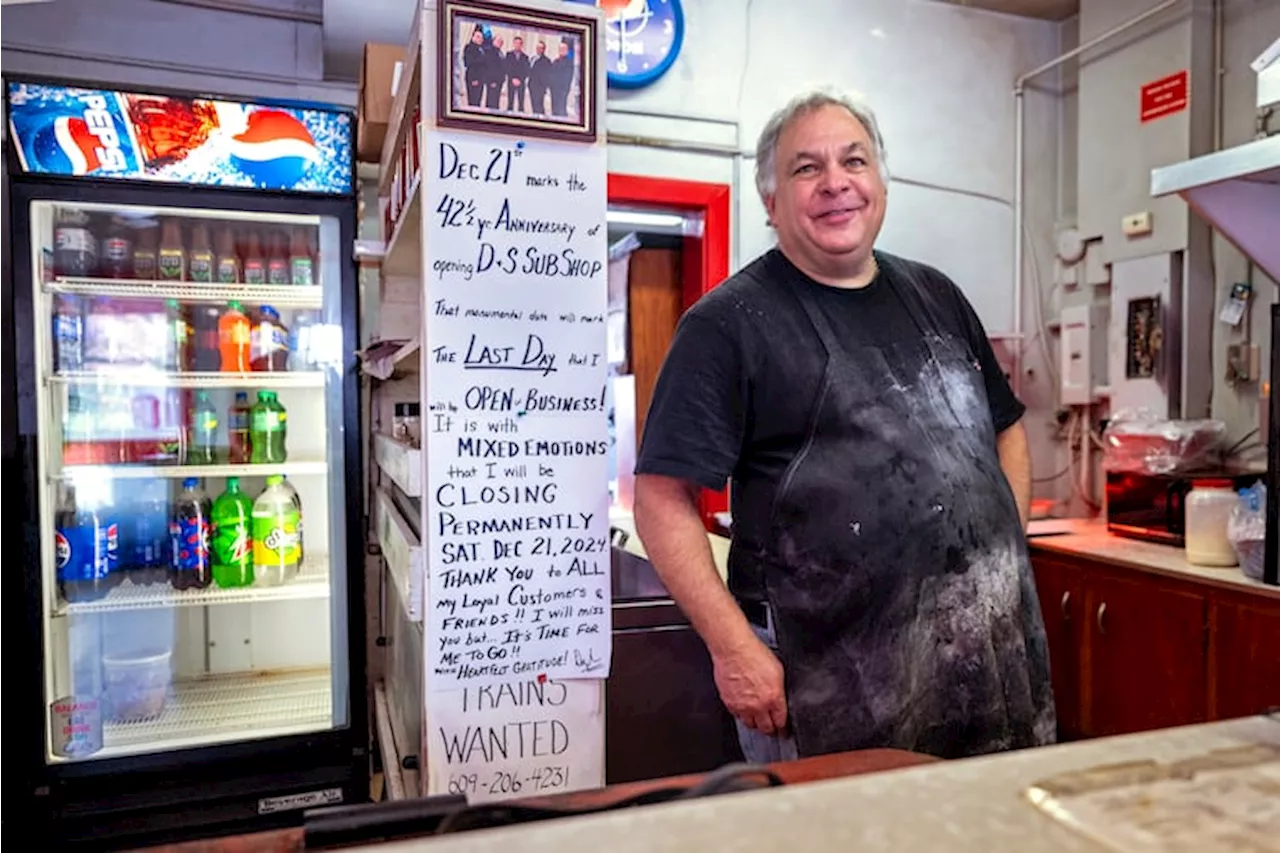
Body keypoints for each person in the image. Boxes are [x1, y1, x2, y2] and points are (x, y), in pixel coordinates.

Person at [633, 89, 1056, 763]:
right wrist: (734, 647)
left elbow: (1006, 428)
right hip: (829, 680)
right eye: (806, 168)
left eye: (853, 160)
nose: (836, 183)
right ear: (770, 202)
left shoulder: (937, 296)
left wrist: (1000, 550)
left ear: (880, 183)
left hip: (985, 664)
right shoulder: (728, 325)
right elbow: (660, 499)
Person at [462, 25, 487, 108]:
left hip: (481, 79)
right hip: (473, 78)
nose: (480, 39)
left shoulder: (482, 49)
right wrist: (474, 79)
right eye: (477, 37)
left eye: (481, 37)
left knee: (478, 102)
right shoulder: (469, 47)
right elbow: (469, 63)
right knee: (473, 102)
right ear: (473, 37)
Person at [505, 36, 531, 112]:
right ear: (513, 44)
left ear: (521, 45)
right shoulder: (509, 55)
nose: (517, 45)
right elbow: (507, 68)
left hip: (521, 82)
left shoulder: (525, 57)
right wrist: (512, 78)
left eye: (519, 43)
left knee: (521, 103)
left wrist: (520, 79)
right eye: (516, 43)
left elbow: (526, 70)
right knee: (510, 102)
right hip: (511, 81)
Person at [548, 40, 574, 117]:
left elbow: (568, 77)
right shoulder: (555, 61)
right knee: (554, 108)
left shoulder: (569, 63)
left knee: (561, 109)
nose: (561, 51)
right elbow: (551, 74)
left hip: (562, 90)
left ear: (566, 50)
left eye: (563, 49)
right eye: (560, 49)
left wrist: (564, 88)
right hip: (553, 89)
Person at [529, 40, 552, 116]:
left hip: (540, 87)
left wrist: (544, 88)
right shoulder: (533, 58)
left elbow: (547, 75)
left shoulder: (547, 61)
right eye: (537, 47)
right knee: (534, 105)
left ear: (544, 49)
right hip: (532, 85)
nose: (538, 49)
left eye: (540, 48)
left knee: (539, 106)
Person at [484, 34, 506, 110]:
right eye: (498, 41)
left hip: (499, 82)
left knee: (495, 103)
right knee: (491, 103)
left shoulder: (500, 52)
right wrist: (491, 81)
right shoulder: (490, 51)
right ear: (493, 41)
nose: (500, 42)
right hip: (493, 82)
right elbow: (489, 68)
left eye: (501, 41)